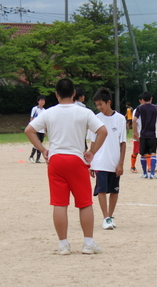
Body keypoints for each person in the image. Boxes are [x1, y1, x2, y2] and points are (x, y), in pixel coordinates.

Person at [25, 78, 107, 255]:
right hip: (76, 159)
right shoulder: (83, 112)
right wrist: (92, 151)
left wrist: (43, 150)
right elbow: (102, 131)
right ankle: (88, 243)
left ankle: (63, 244)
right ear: (74, 94)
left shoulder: (48, 113)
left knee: (59, 203)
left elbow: (29, 130)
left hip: (56, 160)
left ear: (56, 94)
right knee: (84, 203)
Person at [89, 88, 127, 230]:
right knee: (102, 190)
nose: (99, 107)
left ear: (109, 102)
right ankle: (105, 217)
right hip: (100, 161)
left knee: (114, 190)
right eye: (97, 105)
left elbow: (122, 143)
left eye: (101, 104)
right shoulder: (96, 119)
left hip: (114, 161)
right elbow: (93, 142)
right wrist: (91, 163)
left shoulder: (120, 119)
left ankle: (110, 216)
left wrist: (121, 163)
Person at [132, 91, 157, 179]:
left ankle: (145, 173)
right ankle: (153, 173)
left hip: (143, 135)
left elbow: (134, 120)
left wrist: (135, 132)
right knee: (153, 153)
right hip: (153, 135)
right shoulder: (156, 108)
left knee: (143, 154)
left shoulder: (139, 108)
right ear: (151, 99)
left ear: (142, 99)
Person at [29, 95, 47, 163]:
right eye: (41, 100)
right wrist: (31, 127)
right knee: (37, 143)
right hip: (36, 129)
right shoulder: (35, 109)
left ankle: (38, 158)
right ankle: (31, 156)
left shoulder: (45, 111)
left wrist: (45, 131)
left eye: (43, 100)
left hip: (42, 129)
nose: (42, 102)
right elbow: (32, 118)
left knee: (40, 144)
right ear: (38, 101)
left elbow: (45, 121)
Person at [129, 95, 144, 172]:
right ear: (140, 100)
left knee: (147, 151)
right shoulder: (136, 110)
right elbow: (134, 122)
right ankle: (132, 166)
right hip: (138, 134)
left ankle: (149, 167)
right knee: (136, 151)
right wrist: (135, 133)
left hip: (146, 135)